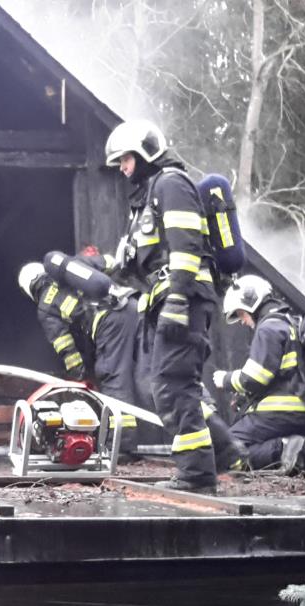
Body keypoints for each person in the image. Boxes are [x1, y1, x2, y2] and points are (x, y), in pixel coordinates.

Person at [103, 119, 238, 493]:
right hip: (168, 299)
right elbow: (140, 260)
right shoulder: (149, 196)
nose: (122, 168)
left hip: (184, 298)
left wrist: (177, 299)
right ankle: (222, 453)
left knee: (172, 384)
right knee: (168, 384)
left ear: (145, 153)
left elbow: (186, 245)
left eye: (126, 159)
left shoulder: (171, 184)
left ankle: (197, 474)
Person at [17, 248, 145, 452]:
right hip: (135, 306)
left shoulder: (45, 307)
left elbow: (67, 350)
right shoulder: (71, 266)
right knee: (148, 372)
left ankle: (122, 446)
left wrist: (80, 377)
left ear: (29, 290)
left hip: (109, 323)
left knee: (114, 379)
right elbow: (111, 262)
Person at [212, 275, 305, 474]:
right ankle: (294, 451)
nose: (242, 321)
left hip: (280, 414)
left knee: (225, 450)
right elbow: (279, 375)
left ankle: (284, 450)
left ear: (251, 301)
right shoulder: (291, 323)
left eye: (241, 314)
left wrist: (225, 379)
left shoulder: (269, 328)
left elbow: (255, 378)